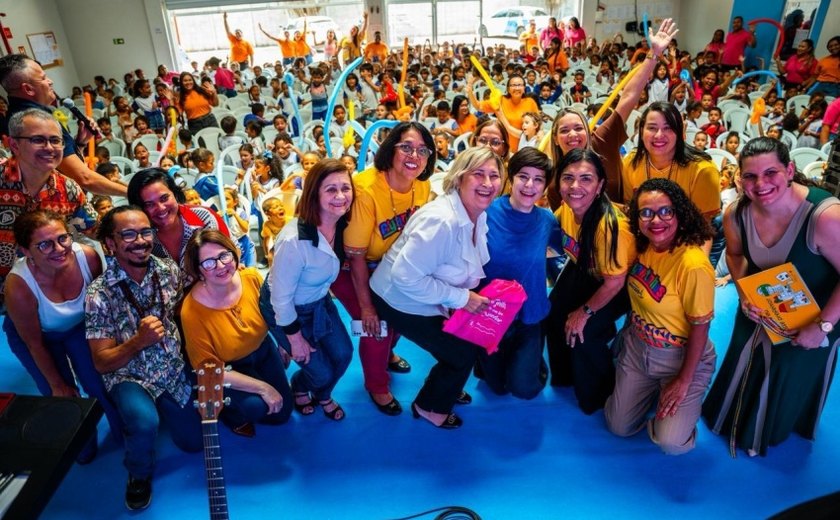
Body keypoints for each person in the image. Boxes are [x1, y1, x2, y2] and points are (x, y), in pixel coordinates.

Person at [702, 138, 840, 457]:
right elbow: (735, 256)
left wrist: (822, 327)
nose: (760, 184)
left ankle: (771, 429)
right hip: (761, 305)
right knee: (742, 353)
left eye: (770, 173)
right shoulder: (736, 212)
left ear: (790, 170)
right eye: (750, 176)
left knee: (787, 368)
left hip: (818, 313)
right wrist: (743, 291)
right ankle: (732, 421)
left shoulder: (825, 216)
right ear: (739, 179)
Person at [370, 147, 504, 429]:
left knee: (466, 343)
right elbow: (405, 277)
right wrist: (461, 298)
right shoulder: (441, 220)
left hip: (429, 294)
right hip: (398, 298)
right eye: (478, 174)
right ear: (459, 178)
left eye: (494, 175)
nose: (488, 183)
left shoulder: (477, 212)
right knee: (460, 353)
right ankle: (429, 406)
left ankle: (445, 389)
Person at [85, 206, 202, 510]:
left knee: (193, 443)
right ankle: (138, 473)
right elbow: (102, 362)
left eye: (145, 231)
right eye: (128, 234)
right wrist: (138, 342)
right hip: (129, 375)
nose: (140, 240)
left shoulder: (169, 271)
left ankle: (164, 412)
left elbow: (184, 310)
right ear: (110, 243)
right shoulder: (99, 294)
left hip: (172, 369)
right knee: (143, 422)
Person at [605, 178, 716, 455]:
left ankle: (681, 407)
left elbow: (700, 327)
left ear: (680, 213)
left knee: (672, 444)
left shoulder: (693, 265)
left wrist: (682, 381)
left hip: (680, 358)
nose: (656, 220)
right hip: (638, 347)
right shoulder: (640, 246)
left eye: (666, 211)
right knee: (619, 427)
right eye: (646, 212)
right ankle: (653, 395)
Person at [330, 122, 435, 415]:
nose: (414, 155)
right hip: (351, 267)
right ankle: (376, 386)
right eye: (406, 147)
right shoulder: (365, 189)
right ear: (390, 149)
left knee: (401, 316)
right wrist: (367, 308)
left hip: (393, 266)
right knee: (376, 326)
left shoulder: (423, 185)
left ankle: (388, 355)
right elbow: (358, 256)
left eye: (423, 150)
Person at [3, 210, 122, 463]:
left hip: (80, 325)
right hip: (37, 336)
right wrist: (57, 383)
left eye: (63, 238)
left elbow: (102, 310)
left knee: (99, 382)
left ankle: (123, 431)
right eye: (44, 244)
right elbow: (34, 343)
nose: (58, 249)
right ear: (26, 251)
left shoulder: (88, 258)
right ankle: (81, 443)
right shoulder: (19, 286)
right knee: (61, 394)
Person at [546, 18, 679, 208]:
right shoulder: (554, 182)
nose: (573, 134)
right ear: (556, 138)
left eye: (578, 127)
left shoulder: (602, 141)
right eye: (565, 130)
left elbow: (628, 97)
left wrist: (654, 53)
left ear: (588, 131)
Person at [260, 159, 355, 421]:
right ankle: (304, 388)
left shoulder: (344, 226)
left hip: (319, 301)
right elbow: (280, 298)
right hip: (285, 308)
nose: (340, 196)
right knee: (320, 371)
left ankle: (319, 392)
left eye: (345, 188)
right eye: (330, 189)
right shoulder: (294, 240)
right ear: (314, 193)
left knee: (344, 354)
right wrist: (293, 338)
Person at [546, 149, 636, 413]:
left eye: (586, 179)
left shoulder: (610, 227)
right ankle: (564, 376)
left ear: (599, 186)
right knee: (553, 311)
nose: (575, 186)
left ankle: (598, 395)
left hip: (619, 282)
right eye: (568, 178)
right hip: (585, 268)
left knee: (582, 331)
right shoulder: (565, 209)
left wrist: (584, 312)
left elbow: (614, 282)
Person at [181, 230, 292, 437]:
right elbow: (209, 370)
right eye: (209, 262)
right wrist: (263, 388)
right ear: (198, 270)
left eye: (224, 256)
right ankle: (231, 414)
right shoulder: (191, 311)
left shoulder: (251, 278)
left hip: (263, 348)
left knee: (282, 414)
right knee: (256, 407)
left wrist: (283, 342)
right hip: (228, 367)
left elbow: (273, 313)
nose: (221, 266)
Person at [478, 148, 558, 399]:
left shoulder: (547, 220)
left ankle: (534, 362)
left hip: (529, 315)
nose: (530, 185)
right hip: (492, 314)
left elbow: (557, 255)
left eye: (539, 179)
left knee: (524, 389)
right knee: (495, 386)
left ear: (545, 186)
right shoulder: (486, 212)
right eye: (524, 176)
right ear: (511, 178)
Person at [0, 109, 98, 303]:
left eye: (55, 140)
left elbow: (96, 229)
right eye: (38, 140)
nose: (50, 148)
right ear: (14, 144)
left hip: (44, 295)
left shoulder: (68, 189)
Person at [0, 54, 126, 196]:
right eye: (43, 78)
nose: (50, 81)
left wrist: (80, 143)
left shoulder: (17, 115)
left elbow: (58, 165)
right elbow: (84, 178)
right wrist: (133, 193)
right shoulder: (34, 122)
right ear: (28, 89)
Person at [622, 102, 721, 223]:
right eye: (652, 128)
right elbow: (629, 210)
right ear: (641, 131)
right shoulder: (631, 162)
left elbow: (704, 227)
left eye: (668, 128)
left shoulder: (703, 170)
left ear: (680, 132)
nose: (659, 135)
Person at [126, 168, 228, 280]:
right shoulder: (139, 238)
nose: (161, 208)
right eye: (149, 204)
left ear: (174, 193)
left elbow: (232, 254)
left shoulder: (203, 218)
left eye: (164, 198)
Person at [466, 73, 538, 151]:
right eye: (513, 85)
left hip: (524, 147)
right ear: (508, 89)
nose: (517, 88)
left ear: (524, 88)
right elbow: (478, 106)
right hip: (503, 146)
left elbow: (537, 124)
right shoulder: (500, 100)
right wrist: (470, 91)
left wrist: (540, 134)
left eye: (520, 85)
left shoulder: (530, 102)